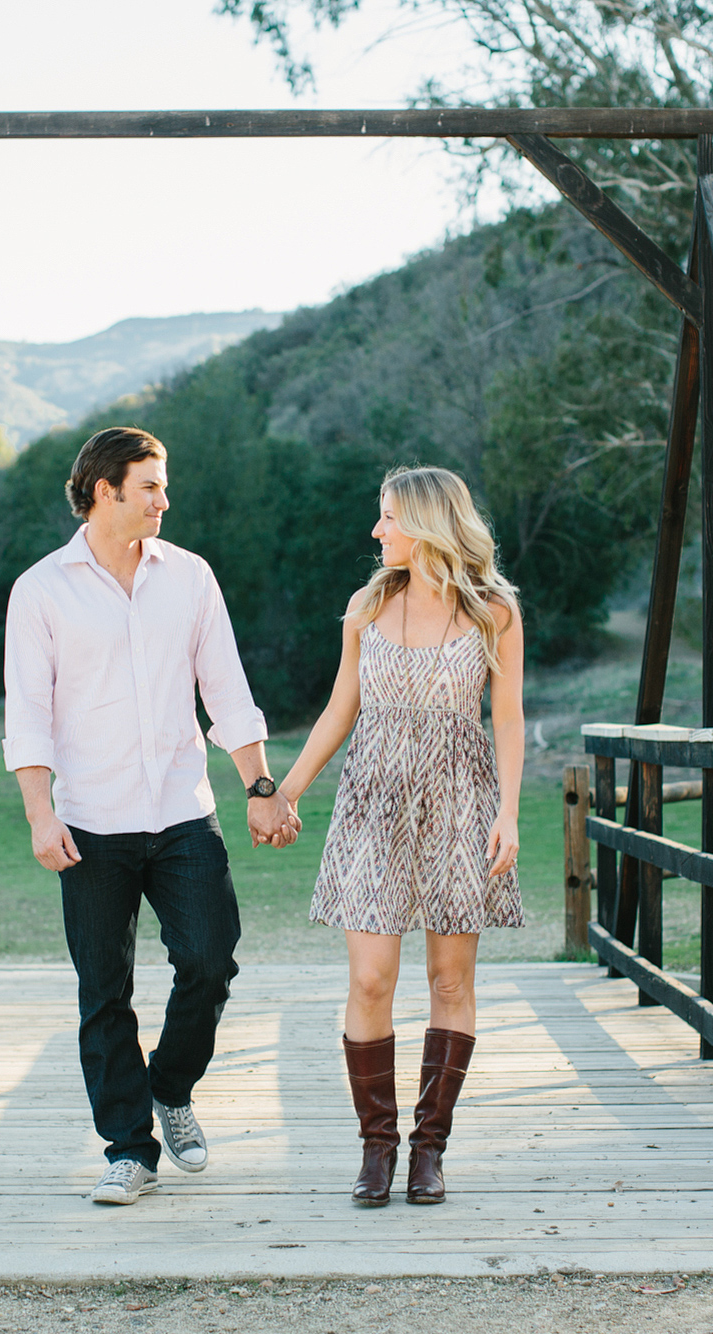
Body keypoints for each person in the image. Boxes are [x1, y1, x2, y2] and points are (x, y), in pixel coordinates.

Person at [2, 426, 300, 1207]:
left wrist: (260, 787)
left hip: (180, 811)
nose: (166, 500)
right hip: (90, 821)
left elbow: (227, 692)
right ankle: (129, 1150)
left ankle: (170, 1086)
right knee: (103, 991)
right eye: (151, 487)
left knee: (210, 958)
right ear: (105, 490)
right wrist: (41, 814)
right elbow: (28, 716)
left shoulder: (191, 578)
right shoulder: (40, 591)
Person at [276, 465, 525, 1207]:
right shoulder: (367, 604)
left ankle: (430, 1150)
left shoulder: (494, 611)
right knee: (369, 978)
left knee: (450, 981)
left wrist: (508, 811)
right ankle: (376, 1148)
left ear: (426, 524)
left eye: (388, 518)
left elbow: (506, 718)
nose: (376, 531)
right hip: (372, 803)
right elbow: (338, 710)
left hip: (460, 802)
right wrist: (284, 791)